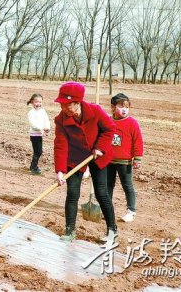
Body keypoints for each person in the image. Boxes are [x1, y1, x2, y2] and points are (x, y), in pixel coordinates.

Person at [53, 81, 118, 243]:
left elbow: (110, 129)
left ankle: (112, 231)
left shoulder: (95, 111)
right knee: (72, 193)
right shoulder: (61, 119)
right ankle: (69, 230)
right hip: (75, 158)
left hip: (99, 155)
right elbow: (60, 144)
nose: (63, 108)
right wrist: (60, 170)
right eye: (61, 104)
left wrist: (100, 147)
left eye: (66, 105)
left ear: (77, 103)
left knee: (101, 193)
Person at [107, 93, 143, 223]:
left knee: (127, 186)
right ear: (112, 107)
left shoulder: (132, 123)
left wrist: (137, 158)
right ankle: (107, 209)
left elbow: (138, 141)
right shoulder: (108, 121)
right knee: (108, 185)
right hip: (109, 161)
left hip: (125, 161)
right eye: (121, 106)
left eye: (127, 107)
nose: (124, 109)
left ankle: (131, 211)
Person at [27, 93, 51, 175]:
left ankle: (33, 166)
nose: (38, 104)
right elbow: (33, 124)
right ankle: (33, 167)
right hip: (34, 135)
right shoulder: (31, 113)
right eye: (36, 102)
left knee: (38, 151)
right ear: (32, 102)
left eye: (40, 102)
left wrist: (47, 128)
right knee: (38, 151)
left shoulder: (43, 111)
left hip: (39, 134)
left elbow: (46, 120)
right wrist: (42, 128)